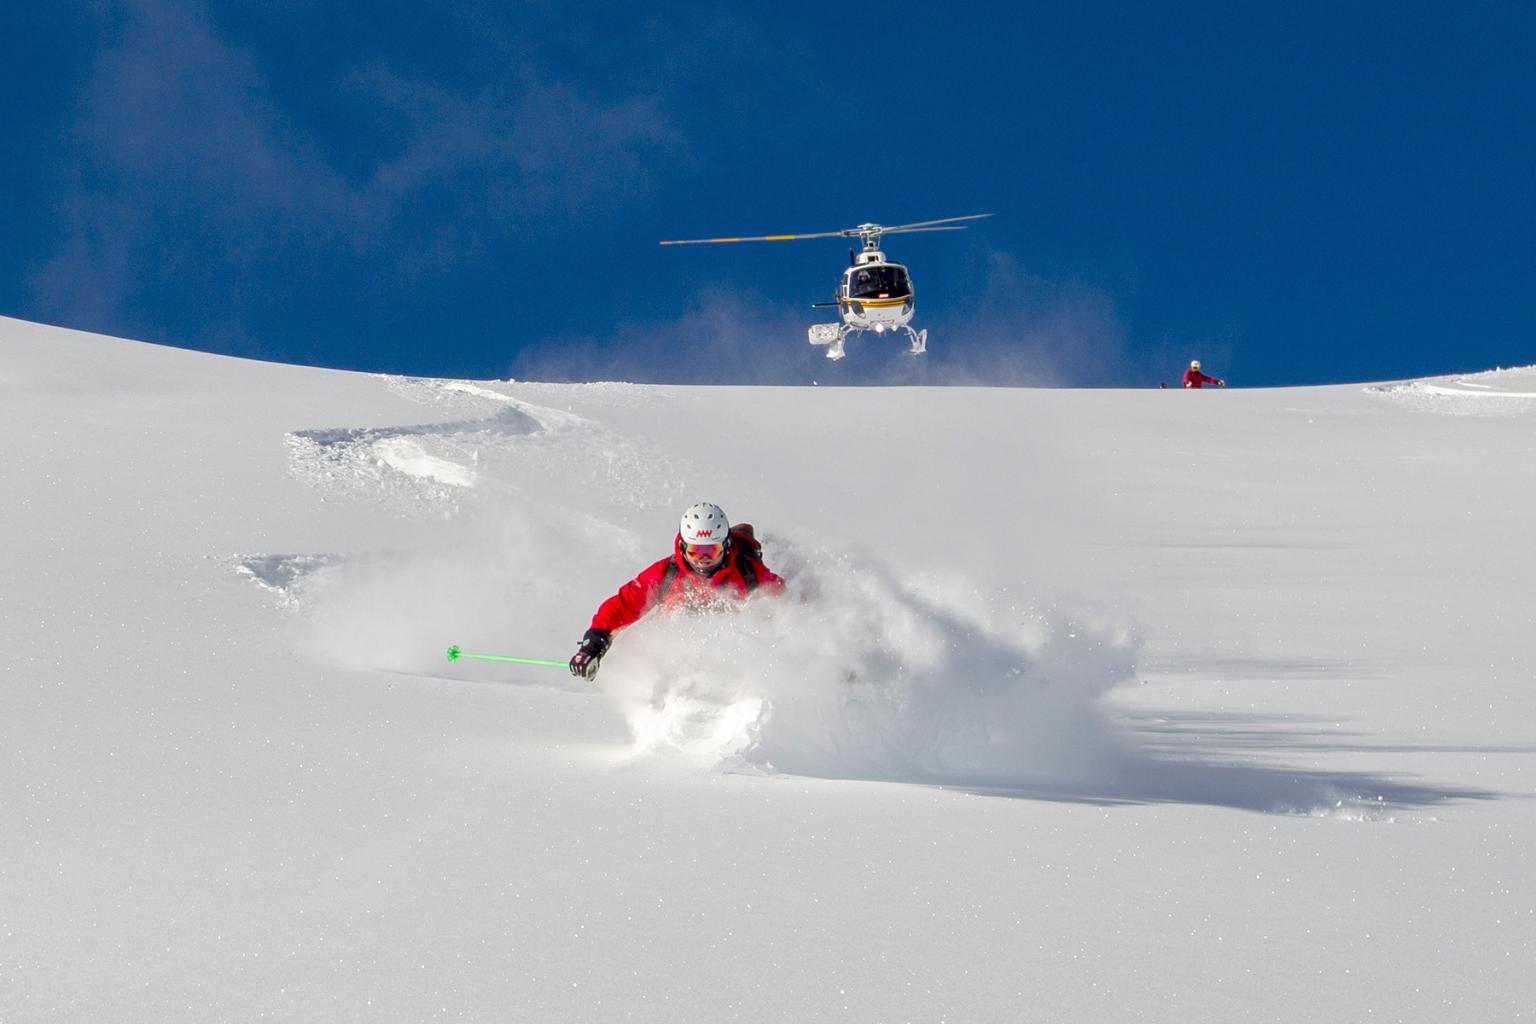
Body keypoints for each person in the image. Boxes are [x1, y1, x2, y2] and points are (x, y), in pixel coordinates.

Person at [568, 502, 786, 680]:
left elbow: (785, 606)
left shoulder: (749, 574)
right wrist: (591, 647)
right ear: (683, 546)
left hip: (731, 658)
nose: (703, 559)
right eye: (695, 550)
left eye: (712, 550)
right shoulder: (667, 573)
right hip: (679, 655)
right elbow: (623, 604)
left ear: (726, 545)